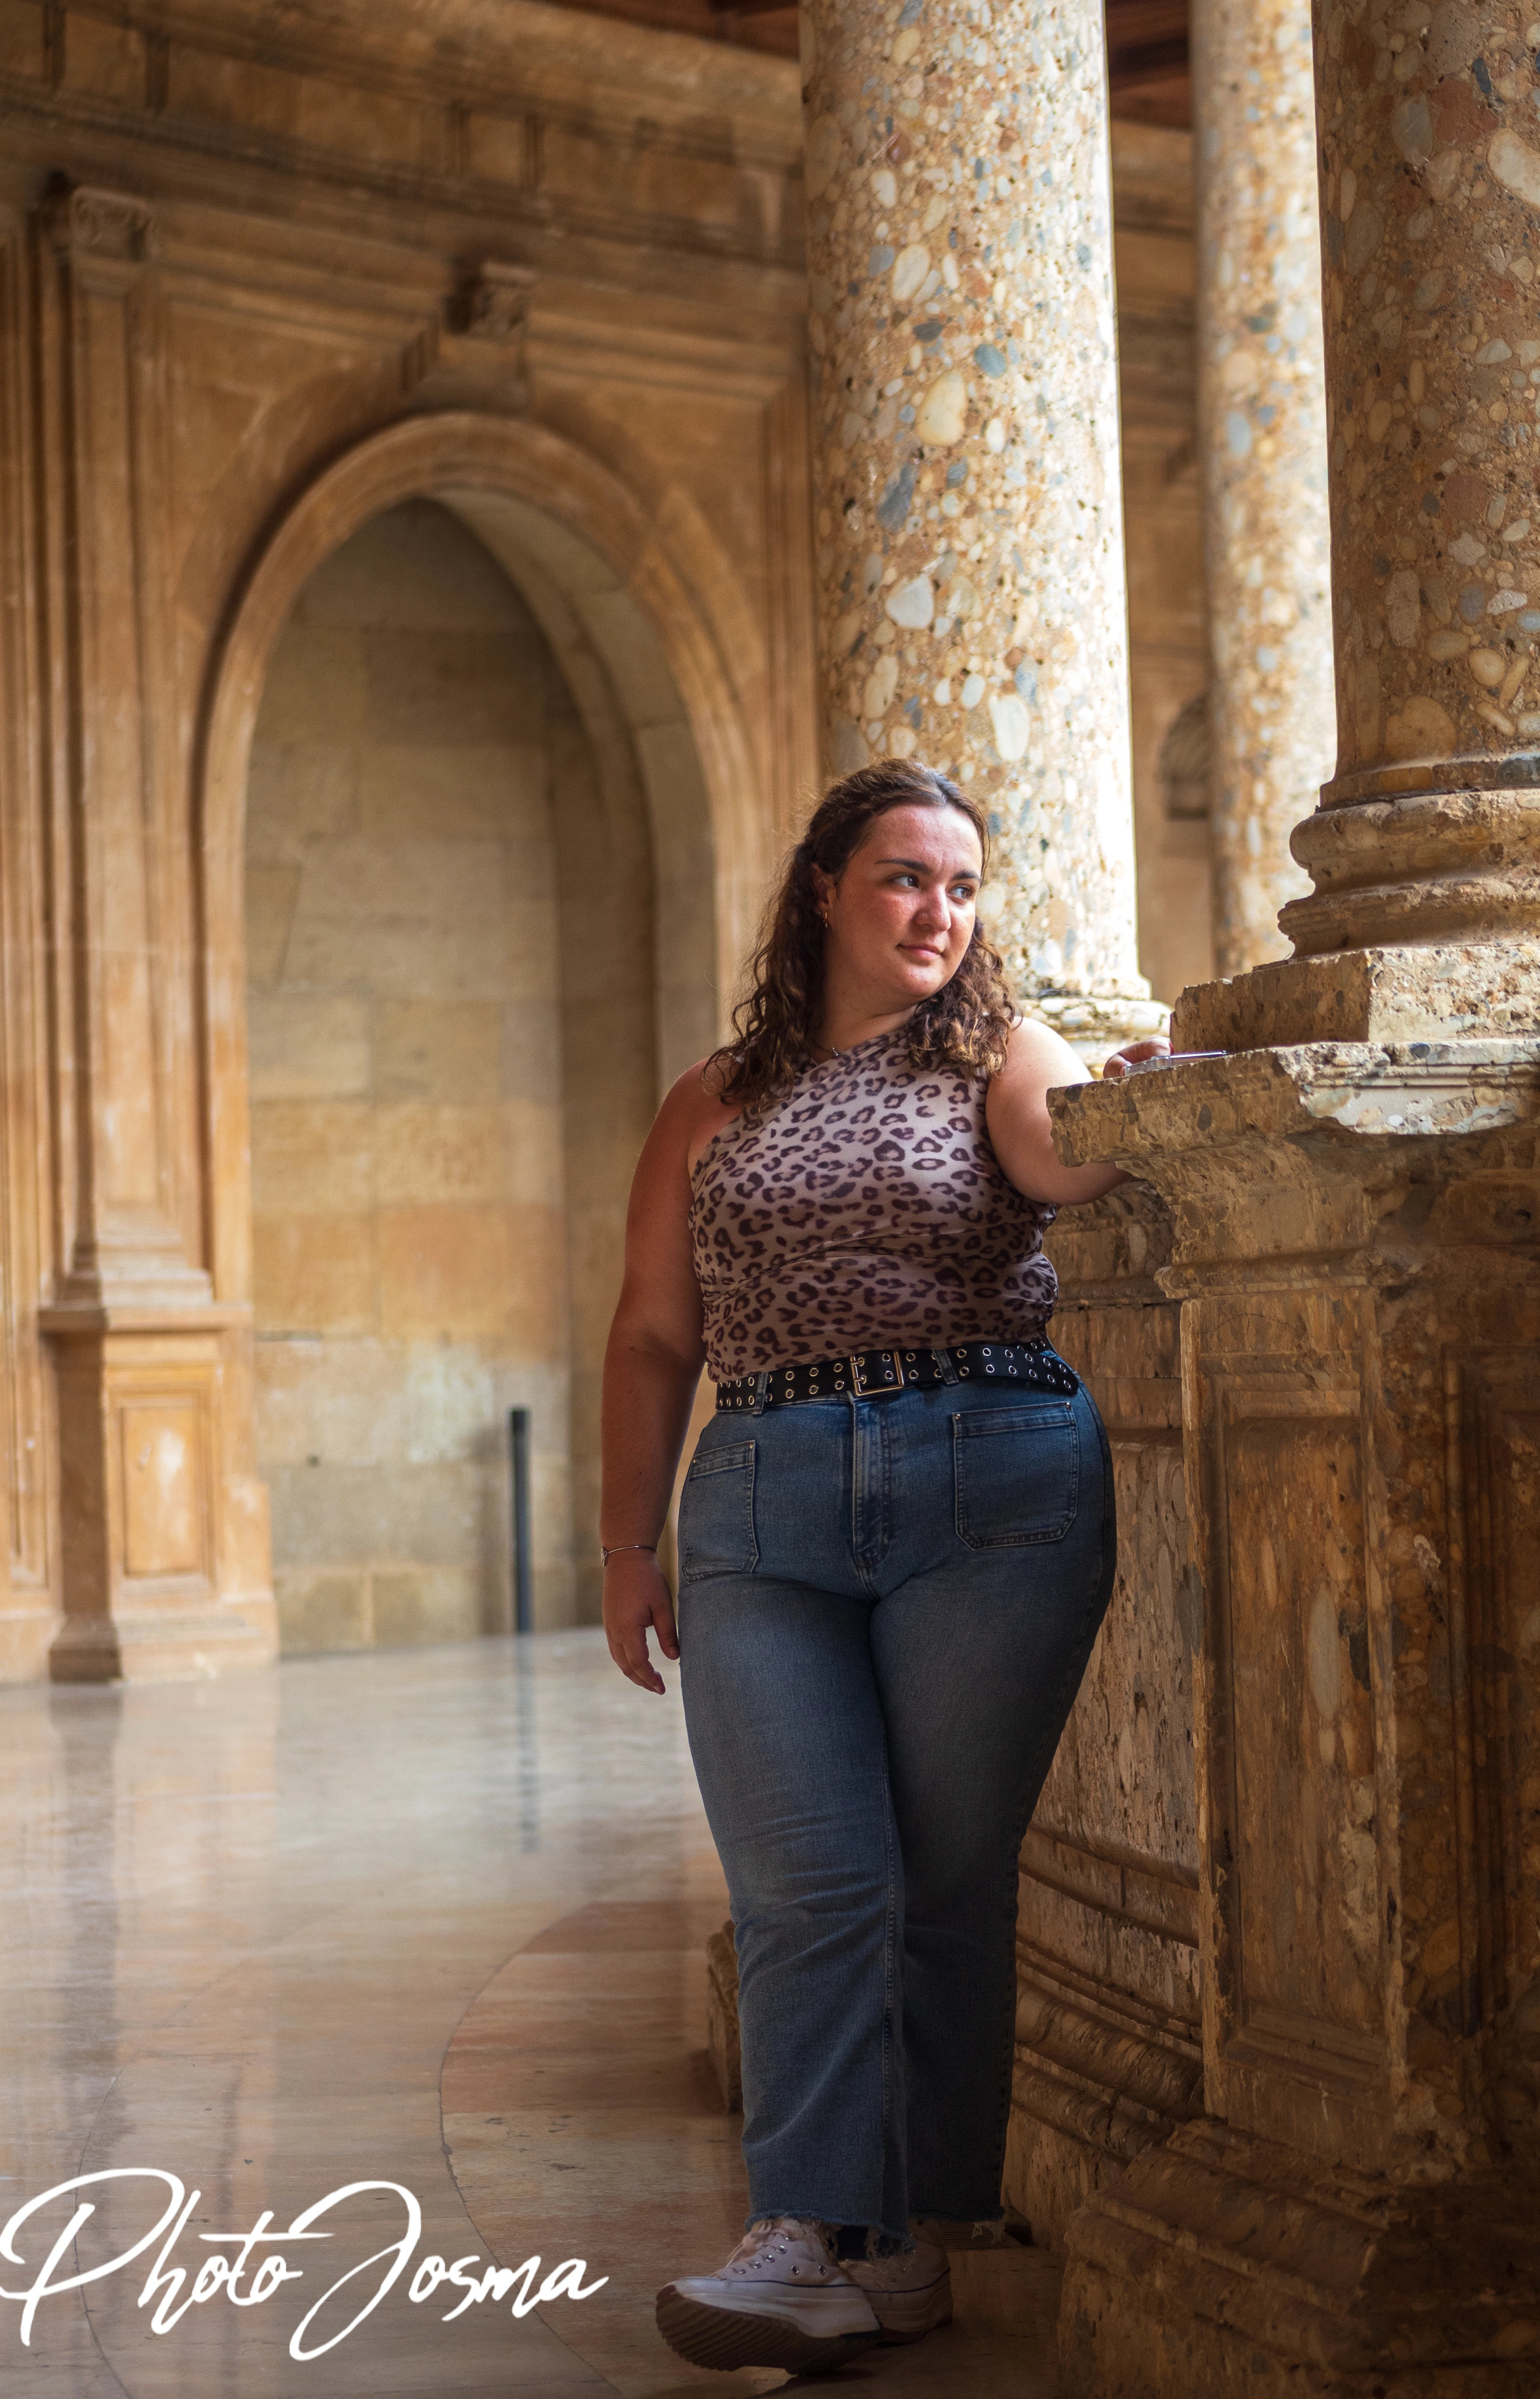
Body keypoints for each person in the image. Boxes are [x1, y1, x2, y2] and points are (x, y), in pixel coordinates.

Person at [598, 758, 1166, 2375]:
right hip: (760, 1503)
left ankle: (896, 2235)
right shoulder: (713, 1098)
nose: (938, 912)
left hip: (990, 1483)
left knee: (939, 1871)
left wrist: (1139, 1104)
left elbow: (1060, 1160)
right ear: (825, 892)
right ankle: (805, 2231)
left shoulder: (998, 1051)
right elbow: (651, 1336)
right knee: (809, 1876)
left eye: (962, 887)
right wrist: (626, 1544)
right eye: (906, 877)